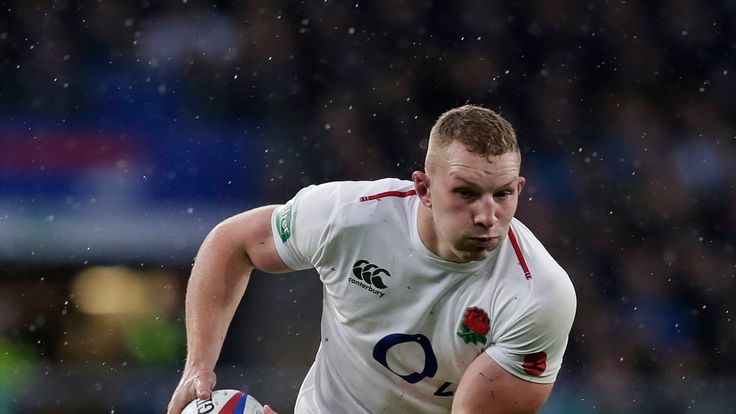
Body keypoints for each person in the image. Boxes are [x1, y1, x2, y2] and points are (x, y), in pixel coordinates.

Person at [167, 104, 576, 414]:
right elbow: (231, 242)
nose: (488, 215)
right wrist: (197, 367)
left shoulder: (539, 295)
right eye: (466, 193)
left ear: (519, 187)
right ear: (424, 188)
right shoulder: (350, 216)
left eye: (503, 194)